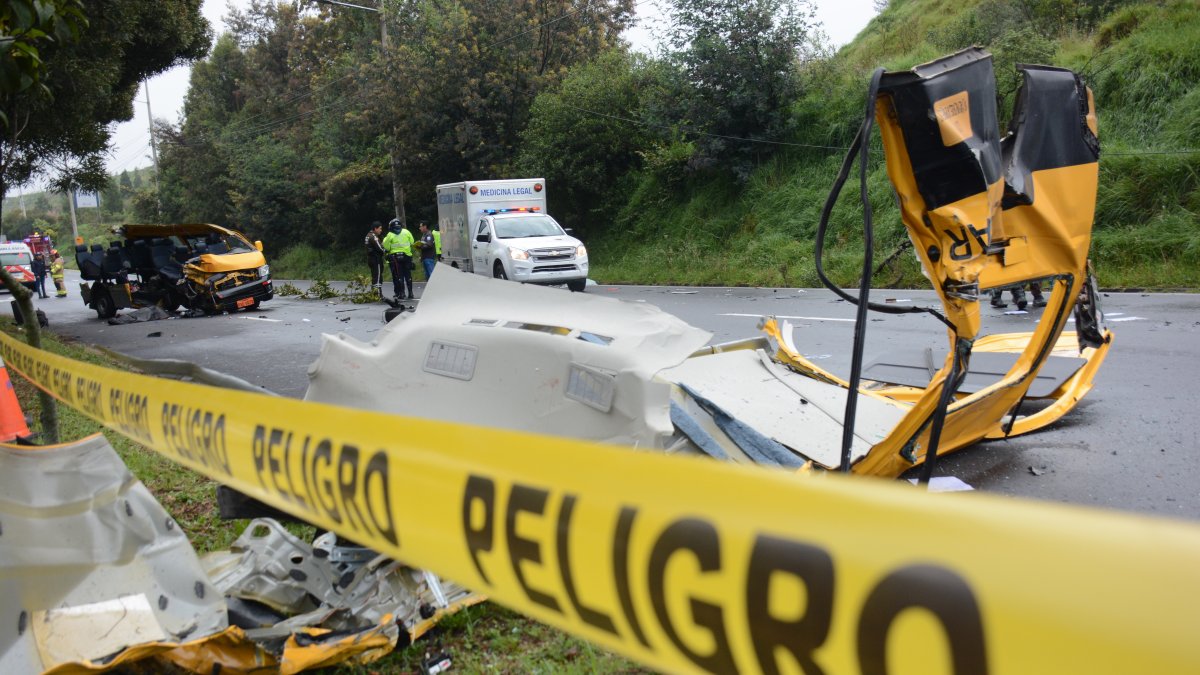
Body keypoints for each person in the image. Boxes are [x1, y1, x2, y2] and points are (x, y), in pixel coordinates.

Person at [381, 219, 414, 300]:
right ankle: (410, 293)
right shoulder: (406, 232)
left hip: (396, 258)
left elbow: (387, 247)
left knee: (399, 275)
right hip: (407, 256)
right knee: (408, 275)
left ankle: (402, 293)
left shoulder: (390, 235)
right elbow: (412, 242)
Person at [364, 221, 386, 294]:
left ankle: (374, 294)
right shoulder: (374, 237)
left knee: (374, 276)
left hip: (370, 259)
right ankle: (378, 294)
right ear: (375, 228)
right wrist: (386, 251)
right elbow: (380, 248)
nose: (381, 230)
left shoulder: (368, 235)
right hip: (376, 259)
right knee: (378, 277)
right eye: (380, 228)